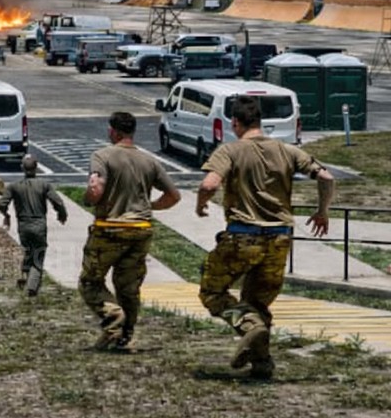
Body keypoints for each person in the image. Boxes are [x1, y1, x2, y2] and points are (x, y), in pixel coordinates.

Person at [195, 96, 334, 379]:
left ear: (235, 122)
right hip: (280, 238)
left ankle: (247, 327)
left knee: (212, 291)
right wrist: (322, 212)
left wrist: (201, 203)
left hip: (243, 237)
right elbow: (326, 177)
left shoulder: (230, 150)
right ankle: (262, 363)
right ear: (259, 121)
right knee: (257, 302)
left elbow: (209, 183)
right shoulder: (287, 150)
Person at [79, 111, 180, 353]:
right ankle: (125, 336)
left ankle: (113, 317)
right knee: (128, 286)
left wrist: (90, 199)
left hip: (110, 229)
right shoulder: (149, 161)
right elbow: (173, 196)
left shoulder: (102, 156)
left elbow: (96, 187)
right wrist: (149, 206)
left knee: (90, 282)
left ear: (114, 131)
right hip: (141, 230)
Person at [0, 155, 66, 297]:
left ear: (23, 168)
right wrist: (62, 214)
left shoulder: (14, 186)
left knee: (28, 251)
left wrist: (7, 215)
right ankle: (32, 287)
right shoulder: (44, 185)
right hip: (39, 224)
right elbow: (57, 202)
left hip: (23, 225)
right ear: (36, 168)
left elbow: (1, 203)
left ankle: (25, 276)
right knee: (38, 256)